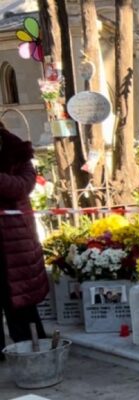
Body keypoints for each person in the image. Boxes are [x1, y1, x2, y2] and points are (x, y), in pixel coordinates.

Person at [0, 122, 50, 356]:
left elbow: (24, 185)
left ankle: (34, 350)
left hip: (15, 241)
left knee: (21, 302)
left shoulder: (16, 151)